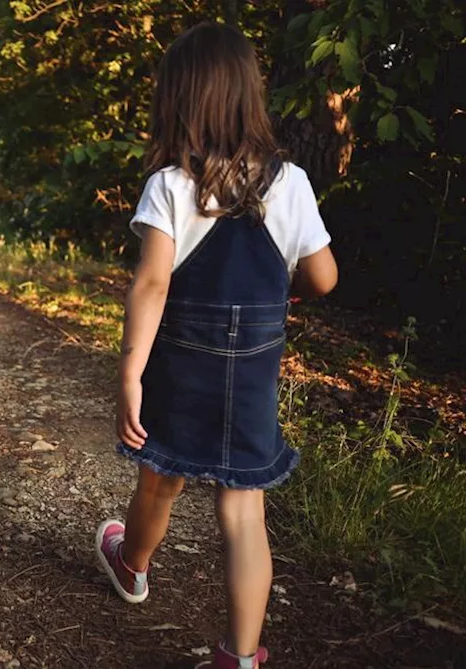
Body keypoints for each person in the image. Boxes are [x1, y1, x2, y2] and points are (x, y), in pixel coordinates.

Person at [94, 22, 338, 669]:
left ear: (178, 102)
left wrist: (131, 374)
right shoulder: (291, 184)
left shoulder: (172, 186)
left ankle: (134, 563)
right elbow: (323, 276)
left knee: (160, 479)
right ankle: (240, 654)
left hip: (182, 366)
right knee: (242, 510)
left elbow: (151, 285)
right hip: (252, 375)